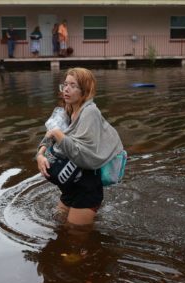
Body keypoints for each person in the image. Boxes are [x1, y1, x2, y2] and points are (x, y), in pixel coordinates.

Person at [35, 68, 124, 226]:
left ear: (85, 91)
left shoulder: (90, 112)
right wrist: (40, 155)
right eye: (65, 85)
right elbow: (49, 135)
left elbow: (83, 155)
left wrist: (58, 134)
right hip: (70, 184)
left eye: (73, 86)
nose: (66, 89)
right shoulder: (67, 110)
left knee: (75, 235)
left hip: (87, 187)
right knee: (59, 223)